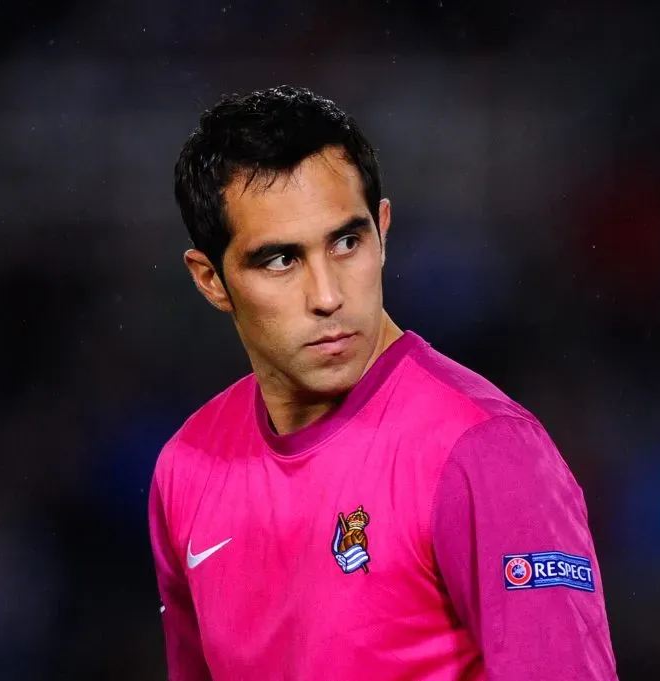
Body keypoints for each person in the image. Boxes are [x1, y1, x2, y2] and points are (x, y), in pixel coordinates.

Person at [147, 85, 619, 680]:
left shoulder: (485, 451)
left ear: (383, 229)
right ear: (211, 279)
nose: (327, 296)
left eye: (347, 242)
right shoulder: (186, 467)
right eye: (280, 260)